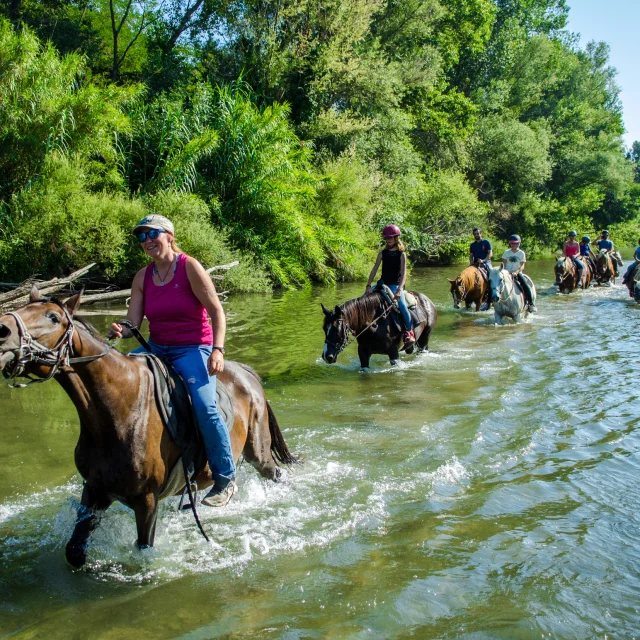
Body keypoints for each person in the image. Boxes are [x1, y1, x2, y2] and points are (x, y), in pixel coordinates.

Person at [107, 214, 237, 508]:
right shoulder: (142, 277)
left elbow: (216, 311)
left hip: (193, 347)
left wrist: (218, 350)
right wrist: (121, 329)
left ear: (169, 236)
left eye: (152, 234)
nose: (147, 241)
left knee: (205, 407)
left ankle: (225, 479)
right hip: (157, 347)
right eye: (141, 237)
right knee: (116, 382)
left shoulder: (189, 267)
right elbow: (133, 323)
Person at [365, 224, 415, 346]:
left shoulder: (401, 254)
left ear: (396, 238)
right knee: (363, 300)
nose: (388, 240)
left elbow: (404, 274)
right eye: (386, 238)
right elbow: (374, 269)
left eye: (390, 238)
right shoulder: (382, 253)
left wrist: (399, 290)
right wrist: (368, 285)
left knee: (402, 305)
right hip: (383, 284)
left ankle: (409, 331)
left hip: (395, 285)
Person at [501, 234, 537, 312]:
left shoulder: (521, 253)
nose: (513, 245)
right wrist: (504, 272)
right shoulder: (506, 252)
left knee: (525, 285)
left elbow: (522, 266)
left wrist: (516, 272)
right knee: (496, 283)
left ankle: (531, 303)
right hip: (506, 272)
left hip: (517, 272)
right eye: (512, 243)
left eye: (515, 243)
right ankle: (490, 302)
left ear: (518, 243)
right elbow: (503, 264)